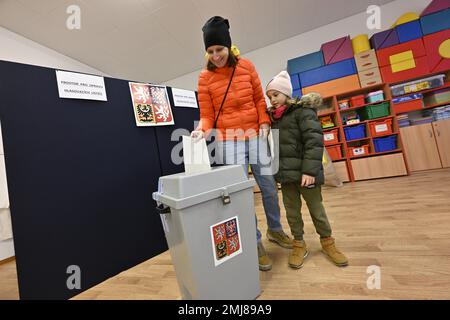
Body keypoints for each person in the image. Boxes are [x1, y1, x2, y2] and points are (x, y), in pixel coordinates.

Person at [190, 16, 292, 271]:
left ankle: (275, 230)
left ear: (229, 46)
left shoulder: (246, 66)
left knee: (268, 185)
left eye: (219, 49)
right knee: (242, 193)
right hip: (229, 140)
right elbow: (207, 113)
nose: (215, 55)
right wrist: (201, 130)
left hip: (255, 135)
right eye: (210, 51)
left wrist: (264, 123)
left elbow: (259, 99)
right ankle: (253, 240)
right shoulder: (204, 78)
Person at [265, 71, 348, 269]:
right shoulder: (273, 119)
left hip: (306, 175)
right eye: (269, 97)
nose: (272, 100)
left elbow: (314, 142)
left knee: (317, 210)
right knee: (292, 212)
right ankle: (299, 244)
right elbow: (275, 149)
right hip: (286, 177)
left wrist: (309, 172)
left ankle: (328, 242)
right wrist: (278, 174)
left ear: (286, 93)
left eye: (275, 95)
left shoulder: (303, 112)